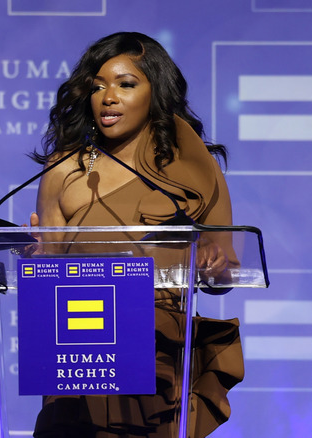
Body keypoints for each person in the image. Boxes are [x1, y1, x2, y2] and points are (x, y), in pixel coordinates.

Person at [29, 32, 243, 438]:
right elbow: (49, 272)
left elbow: (227, 271)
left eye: (126, 84)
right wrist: (33, 256)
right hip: (80, 353)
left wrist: (213, 264)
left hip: (156, 360)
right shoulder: (63, 169)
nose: (108, 97)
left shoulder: (194, 169)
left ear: (154, 92)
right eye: (98, 86)